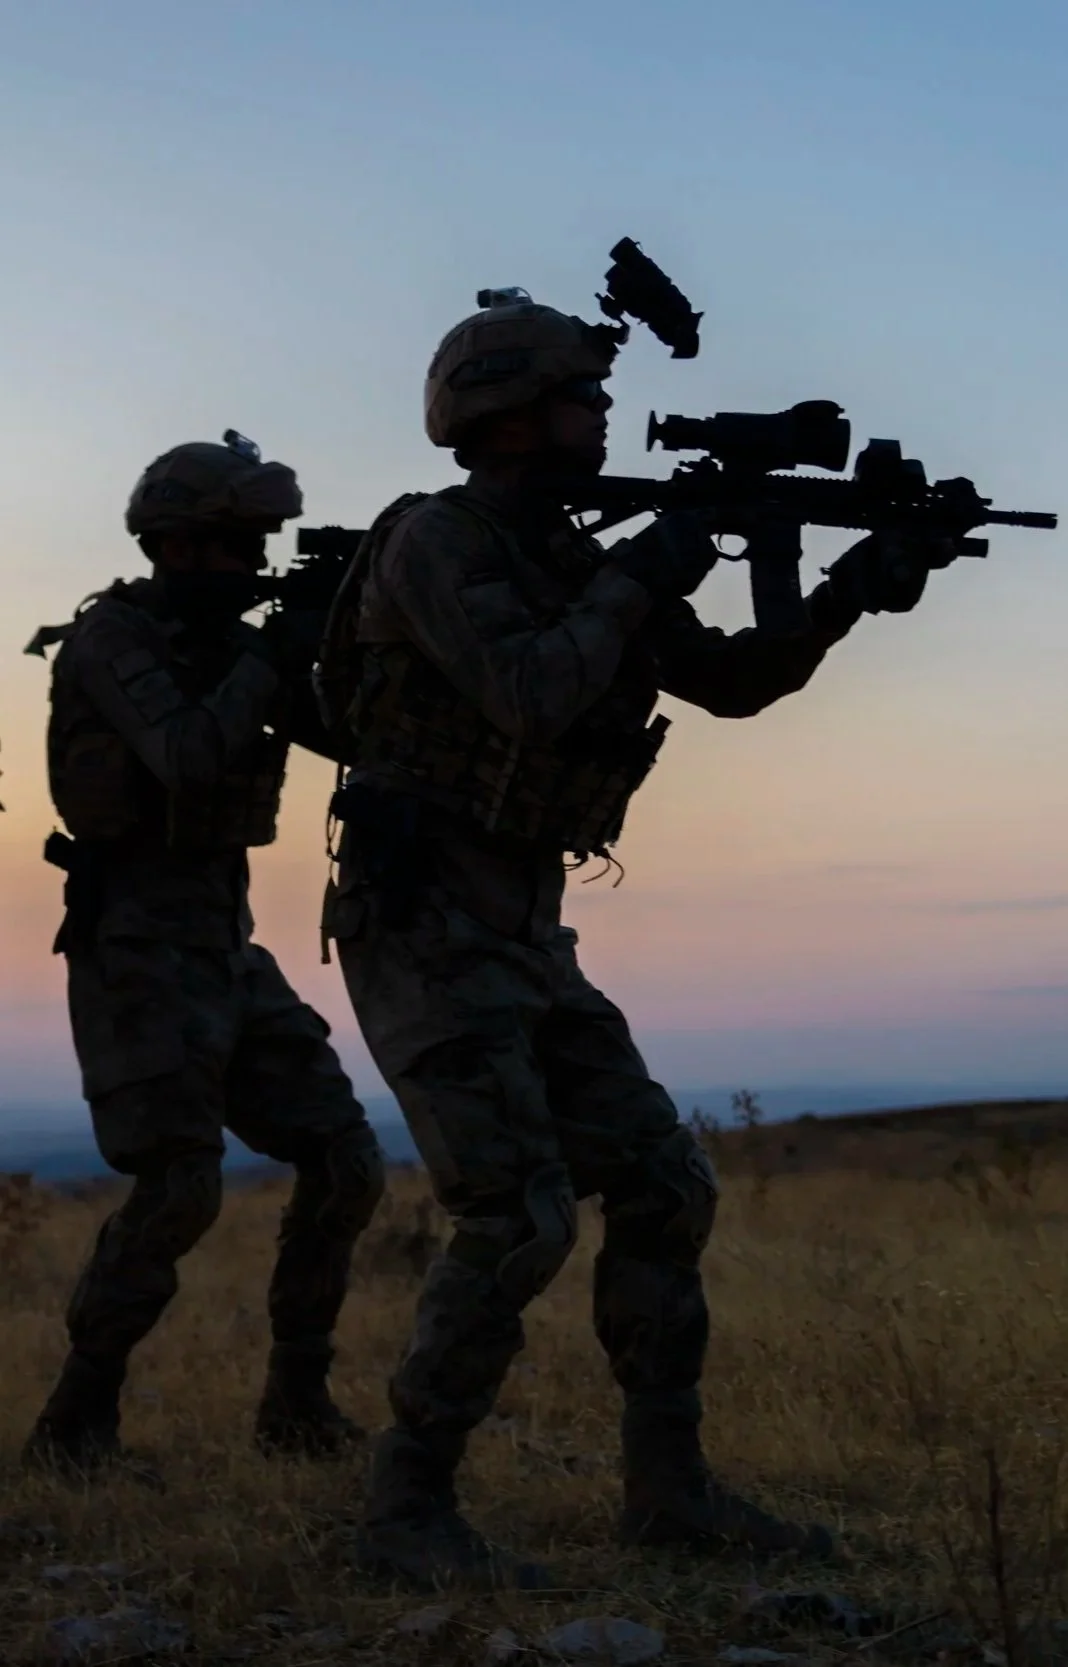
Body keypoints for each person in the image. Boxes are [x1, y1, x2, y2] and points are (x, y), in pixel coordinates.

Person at [316, 293, 959, 1586]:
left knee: (667, 1183)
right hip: (424, 922)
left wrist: (845, 584)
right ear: (506, 408)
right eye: (581, 393)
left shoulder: (566, 550)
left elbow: (734, 678)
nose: (605, 414)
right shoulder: (437, 540)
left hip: (521, 927)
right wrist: (647, 559)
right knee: (518, 1217)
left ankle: (670, 1492)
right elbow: (534, 690)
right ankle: (403, 1515)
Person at [24, 432, 385, 1478]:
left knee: (344, 1154)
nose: (253, 566)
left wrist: (342, 646)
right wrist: (267, 656)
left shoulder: (238, 646)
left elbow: (352, 735)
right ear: (178, 546)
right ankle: (75, 1421)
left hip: (225, 942)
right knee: (180, 1182)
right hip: (135, 944)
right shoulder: (112, 638)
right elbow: (183, 750)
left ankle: (297, 1398)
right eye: (239, 546)